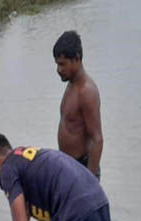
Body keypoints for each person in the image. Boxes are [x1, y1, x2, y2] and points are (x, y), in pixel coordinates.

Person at [54, 30, 104, 180]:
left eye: (63, 64)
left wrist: (88, 181)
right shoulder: (71, 84)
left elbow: (97, 139)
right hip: (68, 165)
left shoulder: (86, 92)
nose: (58, 70)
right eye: (57, 64)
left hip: (82, 168)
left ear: (76, 58)